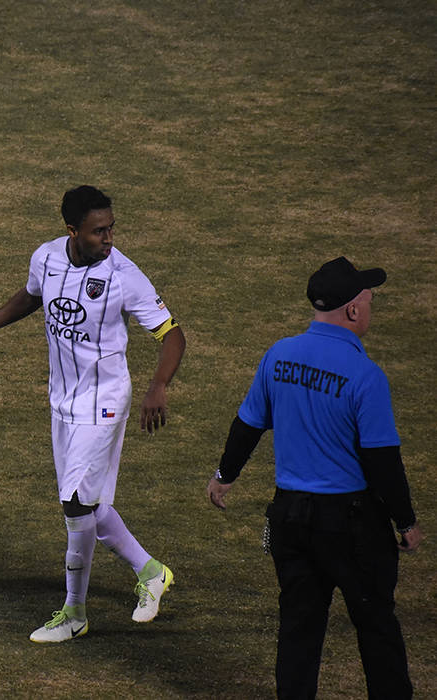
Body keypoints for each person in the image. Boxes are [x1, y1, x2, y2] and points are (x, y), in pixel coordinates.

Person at [0, 185, 185, 642]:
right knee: (91, 506)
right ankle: (151, 571)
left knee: (75, 505)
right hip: (63, 402)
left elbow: (172, 334)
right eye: (99, 231)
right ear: (72, 230)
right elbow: (32, 297)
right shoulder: (47, 258)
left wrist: (158, 386)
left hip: (106, 401)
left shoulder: (124, 276)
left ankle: (74, 613)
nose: (109, 237)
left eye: (112, 228)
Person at [207, 256, 421, 699]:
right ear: (353, 311)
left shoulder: (279, 355)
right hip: (352, 527)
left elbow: (248, 424)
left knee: (299, 632)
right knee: (376, 628)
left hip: (289, 521)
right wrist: (405, 521)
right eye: (368, 299)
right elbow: (383, 462)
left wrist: (224, 475)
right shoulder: (365, 376)